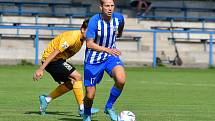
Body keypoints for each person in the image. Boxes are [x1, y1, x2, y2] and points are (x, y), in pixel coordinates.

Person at [32, 19, 99, 116]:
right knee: (78, 77)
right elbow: (55, 52)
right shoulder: (72, 37)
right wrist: (41, 69)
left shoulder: (81, 40)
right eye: (89, 31)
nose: (91, 34)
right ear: (83, 29)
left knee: (71, 83)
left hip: (58, 61)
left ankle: (46, 99)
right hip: (52, 60)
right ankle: (82, 108)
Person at [83, 0, 126, 121]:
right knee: (90, 96)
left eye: (112, 5)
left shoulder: (118, 18)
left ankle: (109, 107)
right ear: (101, 7)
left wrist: (120, 33)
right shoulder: (94, 21)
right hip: (93, 61)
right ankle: (86, 114)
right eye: (107, 6)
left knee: (121, 79)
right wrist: (107, 49)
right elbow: (89, 44)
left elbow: (121, 24)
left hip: (110, 57)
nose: (110, 8)